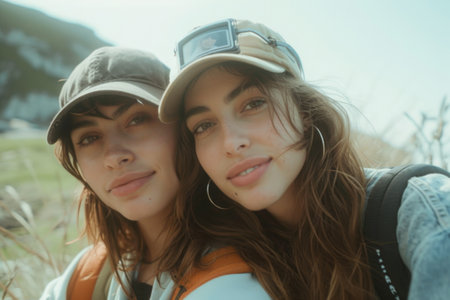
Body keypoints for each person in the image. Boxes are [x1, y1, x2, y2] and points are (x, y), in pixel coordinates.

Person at [159, 18, 450, 299]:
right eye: (204, 126)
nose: (232, 144)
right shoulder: (229, 259)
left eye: (253, 104)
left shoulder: (421, 209)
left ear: (306, 112)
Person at [40, 46, 276, 300]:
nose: (113, 156)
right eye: (89, 138)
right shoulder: (89, 275)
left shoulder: (233, 283)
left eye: (136, 120)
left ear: (185, 129)